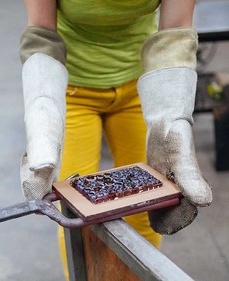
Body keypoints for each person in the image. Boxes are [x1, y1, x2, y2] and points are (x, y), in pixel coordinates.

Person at [19, 0, 213, 279]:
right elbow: (41, 32)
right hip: (72, 90)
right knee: (78, 218)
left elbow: (176, 28)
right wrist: (43, 109)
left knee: (147, 208)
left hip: (141, 84)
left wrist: (171, 117)